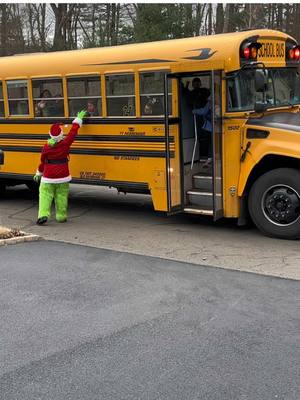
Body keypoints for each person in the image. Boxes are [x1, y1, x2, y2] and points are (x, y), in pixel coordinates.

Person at [33, 110, 87, 225]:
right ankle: (61, 216)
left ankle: (43, 214)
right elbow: (73, 133)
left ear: (50, 134)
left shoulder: (46, 147)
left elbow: (43, 161)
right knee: (62, 196)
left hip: (48, 177)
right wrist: (78, 120)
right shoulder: (65, 143)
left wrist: (39, 173)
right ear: (61, 134)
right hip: (63, 176)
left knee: (45, 195)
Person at [192, 92, 212, 168]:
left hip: (212, 126)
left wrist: (194, 111)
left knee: (211, 142)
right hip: (219, 125)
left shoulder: (211, 99)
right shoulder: (223, 96)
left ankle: (210, 158)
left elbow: (204, 111)